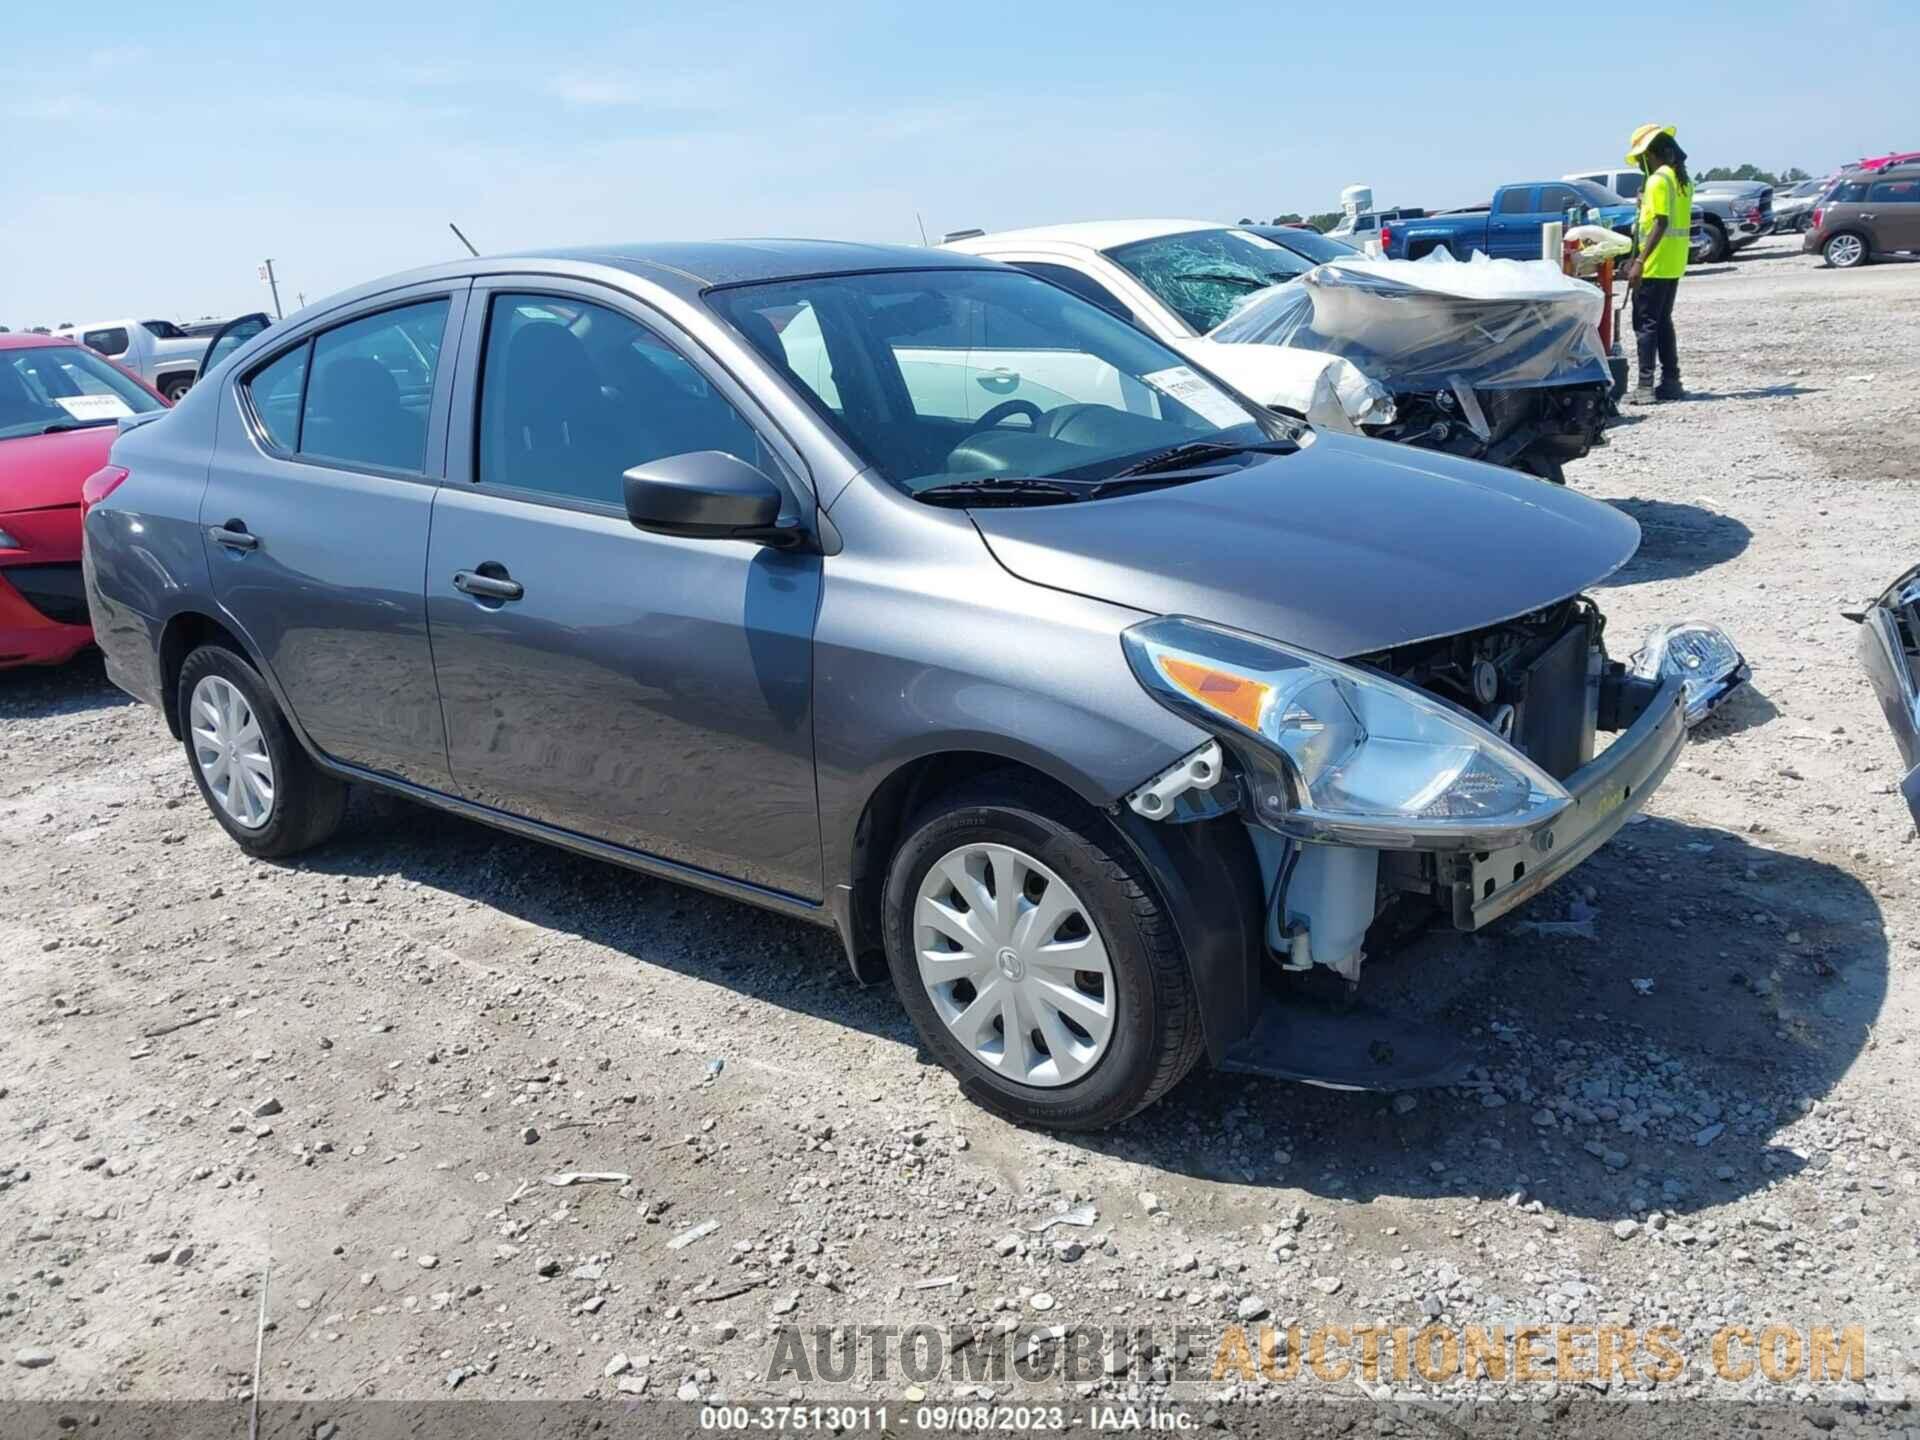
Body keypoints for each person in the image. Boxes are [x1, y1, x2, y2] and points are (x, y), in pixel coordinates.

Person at [1623, 123, 1693, 403]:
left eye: (1641, 159)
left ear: (1650, 155)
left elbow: (1660, 222)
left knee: (1645, 324)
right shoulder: (1682, 181)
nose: (1641, 165)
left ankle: (1644, 387)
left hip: (1654, 263)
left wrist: (1639, 261)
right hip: (1673, 262)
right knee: (1662, 322)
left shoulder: (1657, 181)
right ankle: (1671, 381)